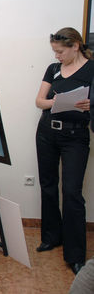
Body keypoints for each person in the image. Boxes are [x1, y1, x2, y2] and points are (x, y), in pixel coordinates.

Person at [35, 27, 93, 275]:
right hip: (47, 131)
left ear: (75, 46)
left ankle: (76, 254)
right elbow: (39, 101)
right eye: (54, 52)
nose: (57, 56)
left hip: (75, 136)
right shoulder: (53, 69)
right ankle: (51, 236)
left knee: (71, 192)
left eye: (60, 52)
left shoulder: (91, 69)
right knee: (48, 185)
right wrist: (57, 102)